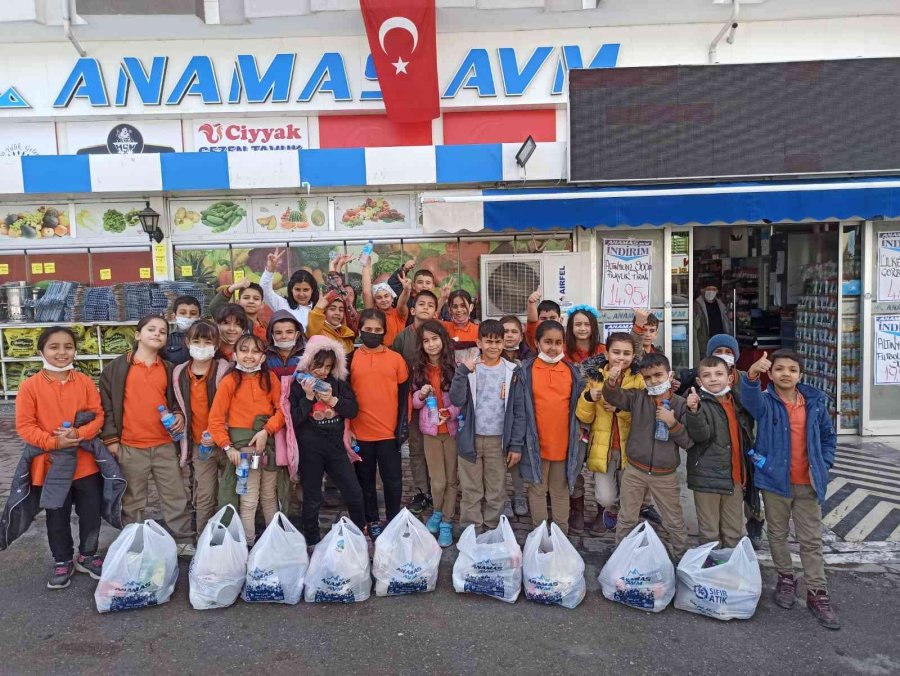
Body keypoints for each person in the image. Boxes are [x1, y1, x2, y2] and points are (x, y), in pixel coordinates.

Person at [740, 349, 839, 629]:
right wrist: (751, 374)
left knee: (811, 539)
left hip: (808, 482)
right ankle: (785, 577)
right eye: (780, 369)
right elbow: (749, 399)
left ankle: (817, 592)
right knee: (778, 534)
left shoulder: (815, 403)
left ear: (800, 375)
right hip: (774, 481)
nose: (786, 374)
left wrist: (824, 462)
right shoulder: (766, 402)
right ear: (771, 374)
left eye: (792, 369)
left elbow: (829, 437)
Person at [15, 326, 107, 588]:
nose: (62, 352)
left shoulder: (85, 382)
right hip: (49, 465)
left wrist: (79, 433)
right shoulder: (30, 387)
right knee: (57, 515)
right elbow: (25, 426)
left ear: (75, 350)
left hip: (86, 464)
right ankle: (62, 559)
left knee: (91, 512)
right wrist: (54, 441)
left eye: (68, 346)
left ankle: (88, 555)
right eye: (54, 347)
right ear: (41, 351)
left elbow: (98, 415)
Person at [99, 314, 195, 557]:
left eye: (162, 331)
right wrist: (111, 440)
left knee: (175, 495)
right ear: (138, 334)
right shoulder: (117, 368)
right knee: (132, 500)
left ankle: (183, 539)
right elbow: (106, 406)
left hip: (163, 445)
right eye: (151, 329)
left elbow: (178, 402)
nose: (157, 334)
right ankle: (134, 539)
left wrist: (179, 415)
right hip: (130, 446)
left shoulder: (170, 369)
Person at [602, 351, 692, 560]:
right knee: (626, 518)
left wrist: (673, 423)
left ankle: (681, 559)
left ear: (669, 375)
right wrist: (612, 381)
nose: (653, 381)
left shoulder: (680, 404)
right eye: (648, 377)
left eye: (658, 375)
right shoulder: (638, 397)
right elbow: (614, 396)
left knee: (673, 521)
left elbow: (688, 441)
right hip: (634, 470)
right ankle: (621, 559)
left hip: (665, 475)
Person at [208, 334, 285, 546]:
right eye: (244, 350)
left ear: (263, 356)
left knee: (270, 496)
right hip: (243, 452)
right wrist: (227, 447)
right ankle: (248, 544)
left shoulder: (270, 379)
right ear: (235, 354)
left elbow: (282, 411)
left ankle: (273, 542)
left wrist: (266, 430)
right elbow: (215, 420)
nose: (249, 355)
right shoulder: (230, 381)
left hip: (268, 448)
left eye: (255, 351)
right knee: (249, 500)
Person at [289, 335, 365, 545]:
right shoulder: (298, 384)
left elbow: (353, 410)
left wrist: (333, 400)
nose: (322, 371)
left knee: (353, 491)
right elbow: (294, 419)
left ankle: (359, 534)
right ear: (308, 362)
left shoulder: (337, 383)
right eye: (318, 366)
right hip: (310, 447)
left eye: (328, 367)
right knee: (312, 497)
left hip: (335, 446)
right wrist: (308, 398)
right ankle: (312, 540)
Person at [450, 319, 524, 532]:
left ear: (503, 344)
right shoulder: (470, 368)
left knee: (496, 489)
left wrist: (516, 445)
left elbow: (518, 411)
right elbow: (456, 399)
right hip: (470, 438)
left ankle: (492, 530)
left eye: (498, 342)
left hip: (497, 441)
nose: (493, 346)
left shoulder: (512, 371)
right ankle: (471, 531)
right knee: (471, 489)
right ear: (479, 342)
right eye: (488, 342)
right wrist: (462, 373)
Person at [513, 321, 584, 534]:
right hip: (536, 445)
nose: (553, 348)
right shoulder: (526, 371)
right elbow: (519, 410)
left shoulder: (572, 372)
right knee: (537, 489)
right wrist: (517, 443)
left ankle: (561, 535)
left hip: (564, 444)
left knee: (561, 490)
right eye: (547, 342)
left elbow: (579, 406)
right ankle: (539, 534)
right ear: (536, 343)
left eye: (558, 343)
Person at [576, 332, 645, 536]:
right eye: (616, 352)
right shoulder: (595, 378)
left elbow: (643, 415)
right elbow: (584, 417)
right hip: (602, 448)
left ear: (633, 356)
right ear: (606, 353)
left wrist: (620, 410)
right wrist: (589, 398)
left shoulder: (638, 380)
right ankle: (610, 509)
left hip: (630, 448)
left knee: (629, 492)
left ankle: (626, 523)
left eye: (626, 353)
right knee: (605, 496)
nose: (621, 358)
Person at [350, 308, 409, 541]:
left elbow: (404, 396)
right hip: (360, 433)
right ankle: (371, 520)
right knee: (365, 481)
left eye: (378, 330)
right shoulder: (350, 358)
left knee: (393, 480)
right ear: (360, 330)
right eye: (368, 330)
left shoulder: (396, 359)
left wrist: (402, 427)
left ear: (385, 331)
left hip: (388, 433)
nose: (373, 333)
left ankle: (393, 519)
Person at [684, 356, 754, 548]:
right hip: (707, 480)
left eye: (719, 374)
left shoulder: (737, 403)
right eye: (707, 375)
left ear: (730, 378)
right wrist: (694, 410)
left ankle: (729, 571)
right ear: (699, 381)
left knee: (733, 531)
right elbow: (701, 436)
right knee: (709, 533)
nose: (713, 379)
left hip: (735, 478)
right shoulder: (699, 403)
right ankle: (710, 572)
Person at [170, 320, 231, 535]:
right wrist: (178, 414)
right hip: (199, 444)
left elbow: (233, 406)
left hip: (226, 443)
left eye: (208, 341)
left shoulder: (225, 370)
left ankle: (229, 536)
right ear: (187, 342)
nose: (202, 346)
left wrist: (218, 432)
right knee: (204, 493)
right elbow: (178, 402)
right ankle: (204, 536)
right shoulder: (179, 373)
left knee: (229, 492)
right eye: (197, 341)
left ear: (216, 344)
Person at [410, 320, 461, 547]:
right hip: (430, 432)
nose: (431, 345)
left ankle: (447, 521)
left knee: (451, 480)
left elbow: (462, 400)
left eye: (435, 339)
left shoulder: (456, 367)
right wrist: (420, 395)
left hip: (451, 432)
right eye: (426, 341)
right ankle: (438, 511)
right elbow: (414, 403)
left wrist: (450, 413)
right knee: (437, 481)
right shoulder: (418, 369)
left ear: (443, 340)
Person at [392, 289, 440, 515]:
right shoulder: (403, 337)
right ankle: (422, 491)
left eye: (431, 305)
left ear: (435, 311)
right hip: (412, 401)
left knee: (438, 448)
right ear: (412, 309)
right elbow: (395, 369)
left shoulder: (440, 333)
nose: (425, 308)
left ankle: (439, 488)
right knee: (417, 448)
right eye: (421, 304)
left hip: (437, 401)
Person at [499, 314, 532, 518]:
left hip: (522, 416)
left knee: (518, 459)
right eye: (505, 332)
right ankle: (502, 498)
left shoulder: (529, 359)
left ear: (521, 335)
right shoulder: (491, 356)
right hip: (498, 417)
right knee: (499, 460)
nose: (509, 336)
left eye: (514, 332)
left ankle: (519, 494)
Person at [259, 248, 320, 331]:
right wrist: (270, 270)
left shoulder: (318, 308)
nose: (301, 294)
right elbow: (265, 291)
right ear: (291, 290)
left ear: (312, 290)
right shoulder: (283, 305)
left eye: (305, 290)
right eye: (297, 289)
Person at [362, 255, 410, 346]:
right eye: (379, 297)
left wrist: (406, 290)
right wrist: (366, 265)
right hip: (378, 351)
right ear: (375, 301)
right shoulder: (373, 314)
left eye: (386, 296)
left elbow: (402, 302)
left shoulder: (398, 314)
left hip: (397, 352)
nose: (383, 300)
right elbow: (366, 292)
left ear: (392, 297)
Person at [307, 289, 356, 355]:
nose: (337, 313)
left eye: (341, 310)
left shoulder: (347, 335)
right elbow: (313, 329)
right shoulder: (319, 333)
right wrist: (318, 308)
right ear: (324, 311)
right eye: (332, 309)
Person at [694, 282, 732, 358]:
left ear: (717, 291)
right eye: (708, 289)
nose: (711, 291)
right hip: (704, 343)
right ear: (702, 290)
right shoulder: (696, 305)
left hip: (720, 340)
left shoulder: (721, 305)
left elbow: (726, 322)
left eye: (714, 289)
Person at [441, 289, 480, 362]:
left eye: (463, 306)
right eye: (455, 307)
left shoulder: (479, 330)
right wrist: (442, 298)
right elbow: (430, 319)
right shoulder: (443, 327)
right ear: (449, 310)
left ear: (471, 307)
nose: (459, 310)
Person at [265, 310, 306, 378]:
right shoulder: (265, 356)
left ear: (297, 334)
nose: (284, 336)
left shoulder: (306, 354)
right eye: (278, 333)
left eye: (289, 332)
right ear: (272, 336)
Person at [166, 295, 202, 365]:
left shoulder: (206, 338)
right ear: (174, 316)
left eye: (193, 313)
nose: (188, 316)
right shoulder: (167, 339)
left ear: (199, 317)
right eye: (182, 313)